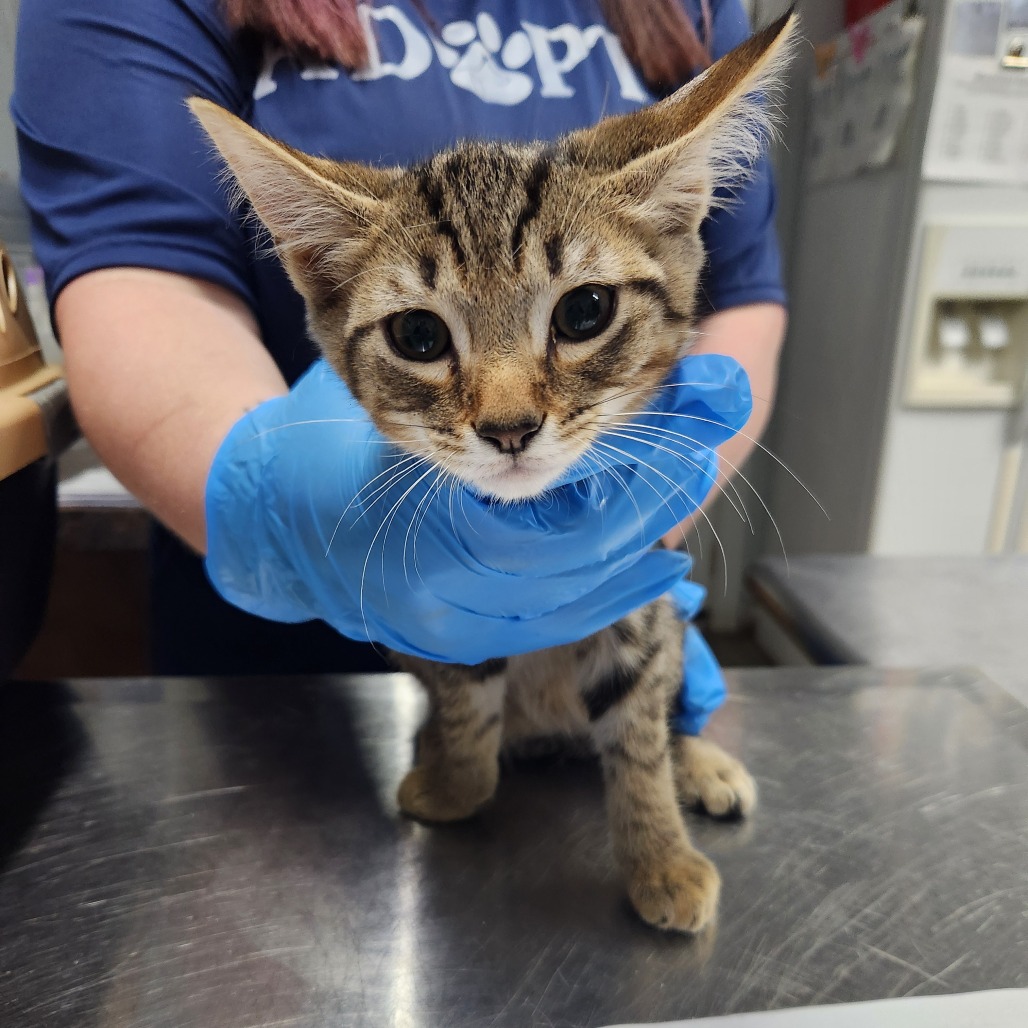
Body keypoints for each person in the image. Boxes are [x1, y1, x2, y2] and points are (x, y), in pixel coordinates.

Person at [12, 1, 786, 729]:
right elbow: (139, 285)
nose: (509, 415)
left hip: (598, 639)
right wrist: (276, 507)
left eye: (581, 315)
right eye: (422, 333)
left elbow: (738, 291)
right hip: (290, 693)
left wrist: (624, 531)